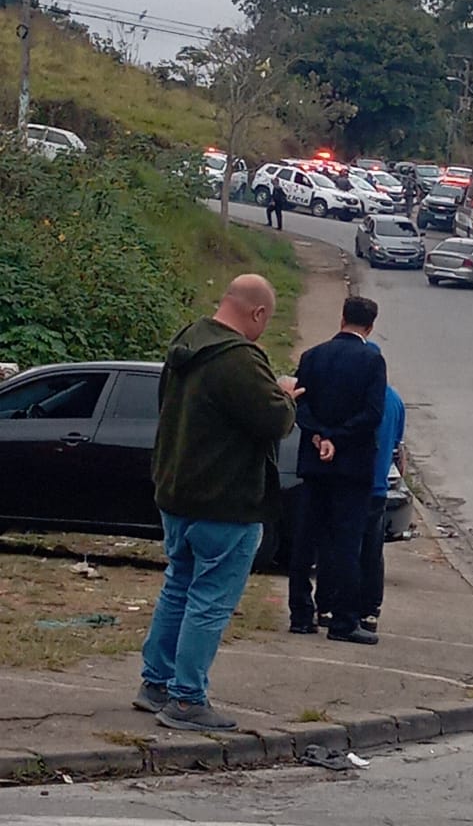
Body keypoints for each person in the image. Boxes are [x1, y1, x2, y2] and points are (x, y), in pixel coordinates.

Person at [134, 274, 300, 732]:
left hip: (176, 491)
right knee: (209, 599)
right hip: (225, 500)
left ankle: (156, 683)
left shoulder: (187, 340)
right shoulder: (240, 359)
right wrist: (284, 395)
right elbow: (273, 421)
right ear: (258, 313)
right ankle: (188, 700)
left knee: (179, 585)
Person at [288, 296, 386, 645]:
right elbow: (373, 413)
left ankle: (300, 615)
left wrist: (319, 437)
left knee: (306, 538)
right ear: (370, 326)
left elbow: (300, 403)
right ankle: (343, 620)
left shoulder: (312, 356)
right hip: (351, 466)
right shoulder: (372, 361)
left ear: (341, 317)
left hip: (314, 463)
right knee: (346, 542)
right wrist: (338, 440)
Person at [315, 341, 406, 636]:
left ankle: (329, 606)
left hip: (353, 480)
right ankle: (370, 611)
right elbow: (398, 449)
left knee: (338, 547)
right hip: (379, 487)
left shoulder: (361, 401)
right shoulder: (395, 402)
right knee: (372, 552)